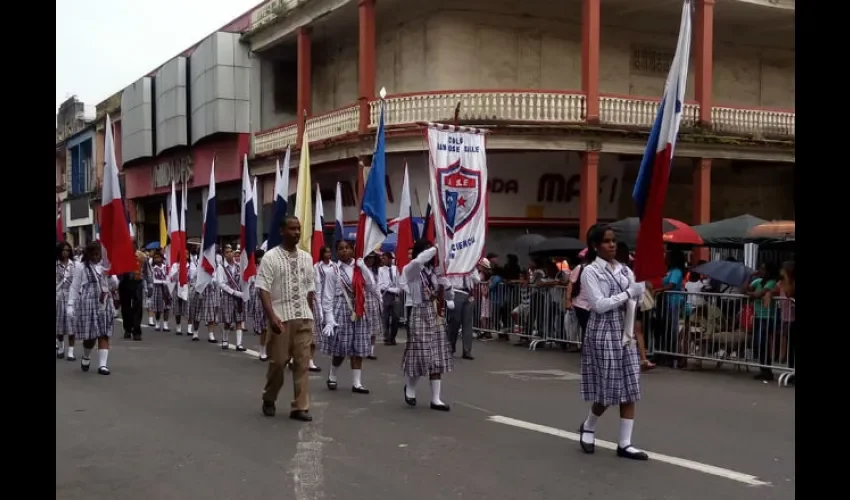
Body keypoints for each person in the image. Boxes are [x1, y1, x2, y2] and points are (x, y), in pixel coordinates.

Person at [577, 225, 649, 461]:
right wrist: (628, 294)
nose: (612, 245)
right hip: (602, 332)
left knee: (629, 388)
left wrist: (638, 290)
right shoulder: (590, 272)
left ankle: (625, 443)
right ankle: (589, 425)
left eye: (614, 241)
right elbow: (598, 305)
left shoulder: (625, 270)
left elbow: (636, 297)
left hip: (625, 333)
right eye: (607, 241)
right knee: (608, 390)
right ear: (596, 245)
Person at [257, 216, 317, 421]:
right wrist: (272, 317)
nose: (297, 233)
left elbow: (310, 289)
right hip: (281, 319)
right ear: (282, 230)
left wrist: (311, 316)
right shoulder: (270, 257)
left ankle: (299, 407)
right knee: (278, 362)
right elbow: (263, 289)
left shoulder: (306, 258)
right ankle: (269, 397)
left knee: (302, 363)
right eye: (292, 229)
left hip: (303, 318)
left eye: (298, 229)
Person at [401, 240, 455, 411]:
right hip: (419, 313)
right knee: (421, 355)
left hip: (435, 314)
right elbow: (418, 261)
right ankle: (410, 387)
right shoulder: (412, 270)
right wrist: (436, 248)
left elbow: (448, 296)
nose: (432, 255)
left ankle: (436, 399)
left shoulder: (435, 273)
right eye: (428, 251)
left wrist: (447, 287)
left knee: (437, 357)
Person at [321, 240, 374, 394]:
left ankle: (357, 383)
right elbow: (327, 296)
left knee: (358, 346)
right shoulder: (334, 271)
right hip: (341, 308)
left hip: (358, 308)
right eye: (340, 249)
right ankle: (332, 375)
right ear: (337, 252)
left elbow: (371, 285)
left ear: (352, 250)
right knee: (340, 348)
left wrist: (363, 266)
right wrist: (329, 319)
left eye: (347, 248)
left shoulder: (359, 269)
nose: (344, 251)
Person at [67, 242, 117, 375]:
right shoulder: (81, 267)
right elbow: (75, 286)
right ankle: (86, 355)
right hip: (88, 303)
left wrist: (112, 275)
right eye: (93, 254)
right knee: (90, 337)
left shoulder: (105, 267)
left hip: (105, 302)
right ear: (88, 254)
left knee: (104, 333)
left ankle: (102, 365)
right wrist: (70, 304)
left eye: (98, 254)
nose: (96, 257)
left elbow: (114, 285)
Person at [447, 262, 479, 359]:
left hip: (468, 293)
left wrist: (472, 273)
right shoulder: (453, 264)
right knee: (454, 322)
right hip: (456, 292)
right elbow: (448, 280)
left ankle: (467, 351)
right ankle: (450, 348)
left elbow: (477, 280)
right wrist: (448, 297)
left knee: (468, 323)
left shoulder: (472, 266)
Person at [118, 243, 150, 341]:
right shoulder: (121, 256)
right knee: (125, 308)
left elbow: (147, 272)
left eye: (132, 245)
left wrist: (149, 285)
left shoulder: (142, 257)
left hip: (137, 283)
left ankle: (136, 331)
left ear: (136, 247)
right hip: (124, 282)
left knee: (137, 308)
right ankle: (127, 329)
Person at [218, 245, 246, 351]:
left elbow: (242, 280)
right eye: (227, 252)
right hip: (228, 296)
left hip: (239, 295)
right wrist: (234, 292)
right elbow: (221, 283)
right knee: (228, 320)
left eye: (231, 252)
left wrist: (242, 292)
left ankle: (239, 344)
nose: (230, 254)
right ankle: (225, 340)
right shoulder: (221, 267)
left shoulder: (238, 266)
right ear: (224, 254)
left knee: (239, 319)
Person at [56, 241, 77, 361]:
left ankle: (71, 351)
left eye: (68, 250)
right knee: (59, 324)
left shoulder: (74, 265)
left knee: (71, 324)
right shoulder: (56, 265)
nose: (66, 252)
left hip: (71, 298)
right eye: (64, 250)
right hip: (59, 297)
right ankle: (61, 348)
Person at [378, 252, 402, 346]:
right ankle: (386, 337)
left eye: (384, 258)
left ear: (389, 259)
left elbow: (399, 282)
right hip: (386, 295)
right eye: (382, 258)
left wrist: (398, 289)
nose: (382, 260)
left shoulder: (396, 269)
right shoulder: (380, 270)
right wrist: (393, 289)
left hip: (396, 295)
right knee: (386, 317)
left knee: (396, 317)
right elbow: (381, 285)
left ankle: (393, 337)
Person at [150, 250, 172, 332]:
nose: (157, 259)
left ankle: (165, 324)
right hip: (157, 287)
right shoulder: (153, 268)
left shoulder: (166, 267)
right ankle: (157, 323)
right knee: (158, 307)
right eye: (155, 258)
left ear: (162, 258)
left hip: (165, 287)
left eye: (158, 257)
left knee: (166, 306)